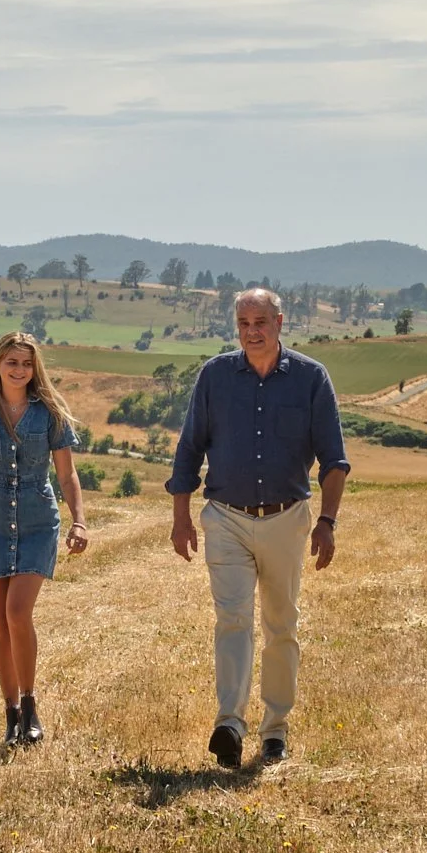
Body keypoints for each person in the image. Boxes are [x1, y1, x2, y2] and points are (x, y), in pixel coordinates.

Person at [167, 289, 349, 769]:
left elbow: (334, 459)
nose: (252, 331)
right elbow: (189, 449)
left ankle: (275, 729)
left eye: (261, 321)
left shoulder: (311, 379)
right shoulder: (215, 376)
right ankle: (229, 723)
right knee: (232, 620)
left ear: (280, 322)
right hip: (225, 517)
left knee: (280, 626)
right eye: (244, 322)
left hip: (288, 519)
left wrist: (327, 522)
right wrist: (180, 515)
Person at [0, 332, 88, 746]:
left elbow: (66, 474)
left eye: (26, 363)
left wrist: (78, 520)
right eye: (11, 362)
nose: (19, 370)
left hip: (38, 520)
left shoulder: (49, 413)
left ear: (34, 368)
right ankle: (10, 713)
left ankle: (30, 703)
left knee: (17, 612)